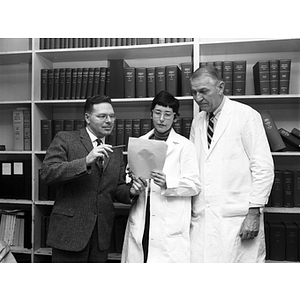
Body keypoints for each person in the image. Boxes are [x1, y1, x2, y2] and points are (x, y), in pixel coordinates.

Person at [40, 94, 142, 263]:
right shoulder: (65, 138)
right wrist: (85, 161)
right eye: (102, 116)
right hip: (70, 233)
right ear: (87, 118)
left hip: (101, 235)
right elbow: (47, 173)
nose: (109, 121)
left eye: (111, 116)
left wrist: (131, 191)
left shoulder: (115, 151)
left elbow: (117, 188)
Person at [189, 65, 274, 263]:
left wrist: (254, 212)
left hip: (237, 217)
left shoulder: (246, 115)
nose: (198, 98)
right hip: (203, 216)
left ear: (221, 87)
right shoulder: (197, 121)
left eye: (203, 91)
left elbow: (263, 167)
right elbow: (195, 166)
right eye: (194, 92)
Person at [121, 91, 201, 263]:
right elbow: (127, 178)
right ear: (151, 114)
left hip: (169, 223)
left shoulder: (185, 147)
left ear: (175, 118)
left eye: (167, 114)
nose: (161, 119)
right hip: (143, 215)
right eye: (157, 113)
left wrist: (168, 183)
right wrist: (133, 185)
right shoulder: (139, 142)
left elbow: (194, 185)